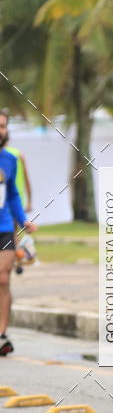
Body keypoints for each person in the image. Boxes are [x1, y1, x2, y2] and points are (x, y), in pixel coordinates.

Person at [0, 111, 37, 355]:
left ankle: (2, 335)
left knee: (3, 279)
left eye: (2, 126)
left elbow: (12, 194)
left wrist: (23, 220)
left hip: (4, 227)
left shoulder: (9, 159)